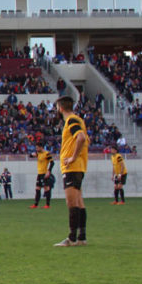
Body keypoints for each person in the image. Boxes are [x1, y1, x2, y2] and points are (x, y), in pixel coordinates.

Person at [55, 95, 89, 246]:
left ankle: (71, 238)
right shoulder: (78, 119)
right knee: (79, 201)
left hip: (72, 167)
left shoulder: (71, 120)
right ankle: (81, 237)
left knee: (71, 202)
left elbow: (81, 138)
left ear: (60, 108)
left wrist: (72, 157)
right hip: (78, 167)